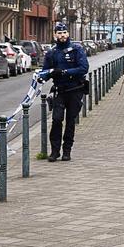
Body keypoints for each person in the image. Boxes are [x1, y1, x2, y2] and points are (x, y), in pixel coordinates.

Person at [38, 22, 89, 162]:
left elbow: (83, 68)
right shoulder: (52, 52)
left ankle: (67, 150)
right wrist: (42, 77)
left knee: (70, 121)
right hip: (60, 91)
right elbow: (46, 70)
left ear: (68, 34)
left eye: (64, 32)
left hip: (75, 90)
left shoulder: (77, 49)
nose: (62, 35)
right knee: (56, 120)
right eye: (59, 33)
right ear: (55, 35)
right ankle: (55, 151)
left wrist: (65, 72)